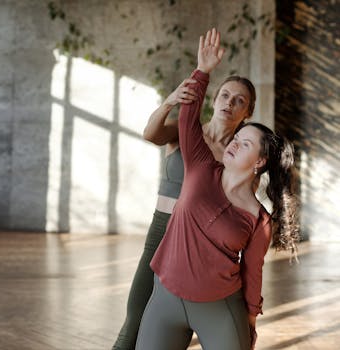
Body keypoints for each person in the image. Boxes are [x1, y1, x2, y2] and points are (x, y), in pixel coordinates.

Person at [134, 28, 299, 350]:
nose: (235, 144)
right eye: (236, 140)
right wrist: (203, 72)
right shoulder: (200, 167)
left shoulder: (259, 219)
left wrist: (251, 319)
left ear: (260, 162)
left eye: (246, 143)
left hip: (220, 307)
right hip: (164, 296)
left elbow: (253, 272)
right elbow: (187, 120)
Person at [113, 36, 259, 350]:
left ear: (247, 112)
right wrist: (170, 101)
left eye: (239, 101)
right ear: (215, 97)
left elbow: (242, 209)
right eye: (225, 95)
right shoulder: (189, 134)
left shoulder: (237, 157)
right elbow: (151, 133)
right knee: (134, 318)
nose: (229, 103)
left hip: (198, 242)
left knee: (173, 325)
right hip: (161, 229)